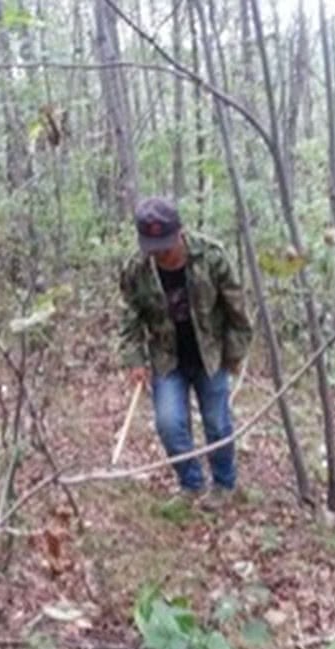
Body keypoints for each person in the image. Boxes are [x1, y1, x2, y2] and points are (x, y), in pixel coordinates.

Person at [118, 196, 253, 507]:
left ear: (180, 232)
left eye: (165, 245)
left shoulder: (212, 257)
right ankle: (190, 484)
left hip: (211, 355)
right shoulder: (136, 270)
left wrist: (234, 354)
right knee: (168, 423)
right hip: (168, 359)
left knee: (217, 423)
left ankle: (223, 484)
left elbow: (237, 309)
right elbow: (129, 317)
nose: (161, 254)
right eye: (154, 247)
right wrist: (135, 360)